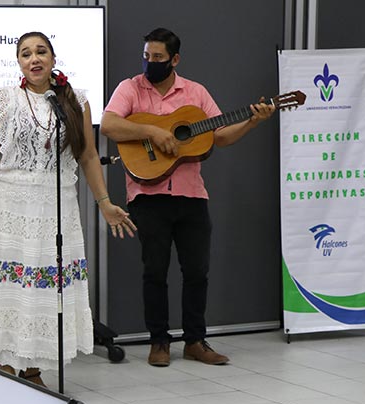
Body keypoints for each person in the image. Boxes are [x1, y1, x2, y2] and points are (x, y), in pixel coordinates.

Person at [0, 32, 136, 387]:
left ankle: (34, 370)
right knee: (10, 289)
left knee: (42, 291)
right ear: (19, 63)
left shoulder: (75, 101)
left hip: (55, 208)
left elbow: (87, 156)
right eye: (25, 53)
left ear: (53, 59)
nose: (33, 58)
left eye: (41, 51)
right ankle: (7, 368)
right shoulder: (4, 100)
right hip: (9, 205)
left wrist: (104, 202)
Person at [100, 27, 275, 367]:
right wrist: (152, 131)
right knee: (155, 271)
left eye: (159, 58)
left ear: (175, 59)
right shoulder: (130, 88)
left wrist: (252, 122)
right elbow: (109, 125)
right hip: (147, 196)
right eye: (147, 57)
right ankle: (159, 342)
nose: (151, 63)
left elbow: (220, 136)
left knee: (197, 271)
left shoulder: (195, 93)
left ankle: (195, 340)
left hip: (192, 195)